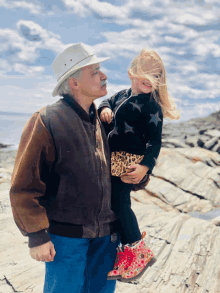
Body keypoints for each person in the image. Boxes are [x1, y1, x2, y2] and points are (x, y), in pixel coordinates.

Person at [9, 42, 142, 293]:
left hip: (108, 236)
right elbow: (24, 186)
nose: (104, 76)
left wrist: (138, 173)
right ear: (74, 83)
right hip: (66, 240)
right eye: (95, 72)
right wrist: (36, 236)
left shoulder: (105, 119)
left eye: (100, 70)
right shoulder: (47, 120)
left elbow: (117, 170)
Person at [98, 48, 180, 282]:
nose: (153, 79)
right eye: (148, 73)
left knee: (120, 204)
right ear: (132, 73)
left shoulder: (151, 106)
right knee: (113, 204)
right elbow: (106, 100)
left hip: (129, 163)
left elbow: (155, 142)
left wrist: (146, 167)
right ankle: (128, 253)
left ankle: (138, 250)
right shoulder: (120, 95)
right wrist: (104, 108)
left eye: (158, 76)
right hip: (111, 159)